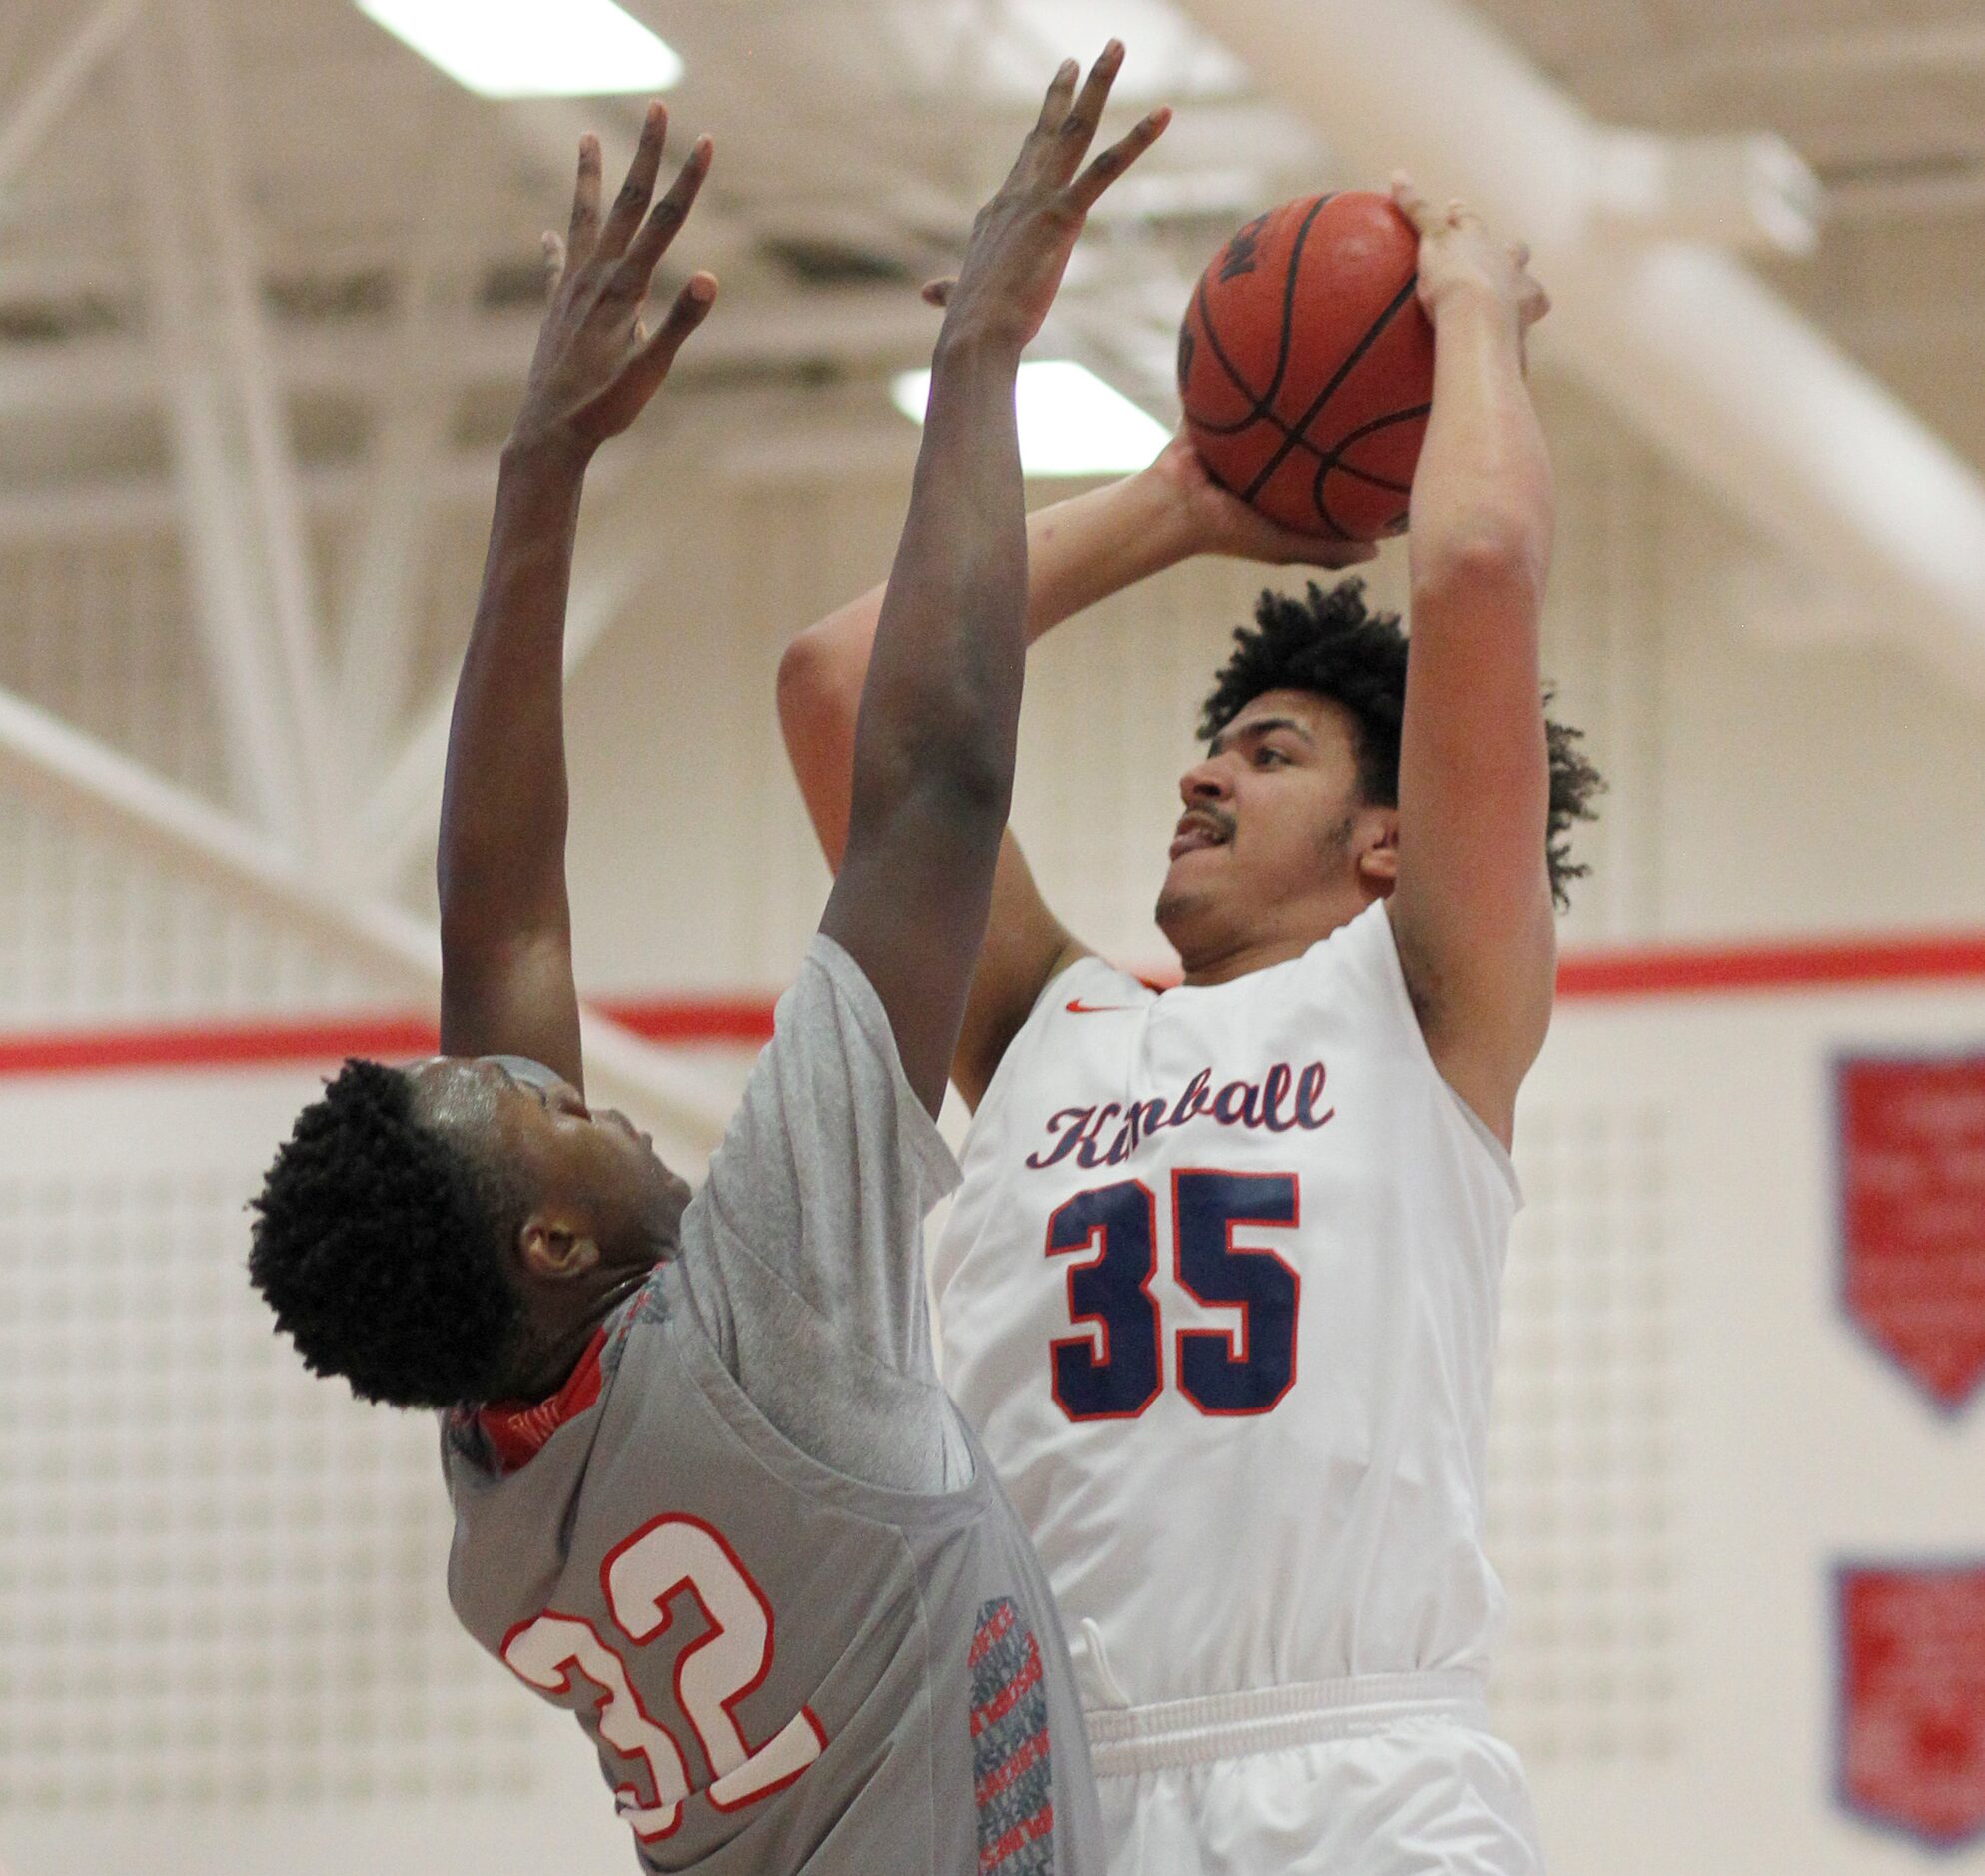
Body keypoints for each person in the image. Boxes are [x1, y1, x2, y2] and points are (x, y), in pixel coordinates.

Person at [248, 54, 1170, 1872]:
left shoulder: (503, 1475)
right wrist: (977, 354)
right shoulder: (770, 1322)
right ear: (551, 1240)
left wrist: (543, 470)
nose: (549, 1079)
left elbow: (501, 913)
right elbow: (939, 783)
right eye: (528, 1107)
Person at [778, 174, 1604, 1874]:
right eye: (1217, 742)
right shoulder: (1038, 1025)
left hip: (1362, 1779)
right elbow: (843, 686)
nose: (1203, 768)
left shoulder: (1429, 997)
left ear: (1389, 840)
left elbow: (1479, 559)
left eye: (1272, 751)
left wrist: (1466, 315)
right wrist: (1175, 502)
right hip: (1053, 1795)